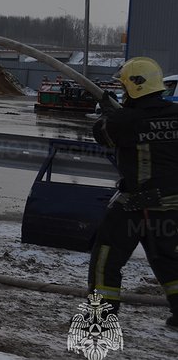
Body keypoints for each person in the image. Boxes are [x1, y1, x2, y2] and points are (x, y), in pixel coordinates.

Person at [89, 57, 178, 329]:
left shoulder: (127, 120)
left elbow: (101, 134)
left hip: (138, 203)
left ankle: (101, 317)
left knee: (106, 256)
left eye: (125, 87)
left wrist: (108, 113)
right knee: (168, 259)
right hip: (173, 203)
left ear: (134, 88)